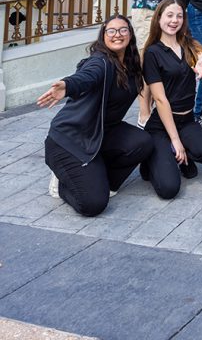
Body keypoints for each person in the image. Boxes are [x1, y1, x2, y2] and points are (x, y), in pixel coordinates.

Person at [38, 15, 154, 217]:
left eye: (123, 30)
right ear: (103, 35)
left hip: (101, 133)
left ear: (130, 34)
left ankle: (102, 181)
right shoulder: (100, 62)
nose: (117, 35)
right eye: (111, 31)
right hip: (70, 140)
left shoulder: (132, 65)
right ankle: (62, 184)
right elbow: (86, 77)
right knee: (93, 205)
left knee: (142, 142)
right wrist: (67, 85)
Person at [140, 0, 202, 198]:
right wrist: (176, 140)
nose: (174, 20)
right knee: (169, 189)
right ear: (159, 19)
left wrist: (201, 59)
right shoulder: (152, 53)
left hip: (186, 120)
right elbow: (161, 99)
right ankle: (154, 159)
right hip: (162, 124)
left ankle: (177, 154)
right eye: (170, 15)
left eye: (179, 16)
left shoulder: (188, 44)